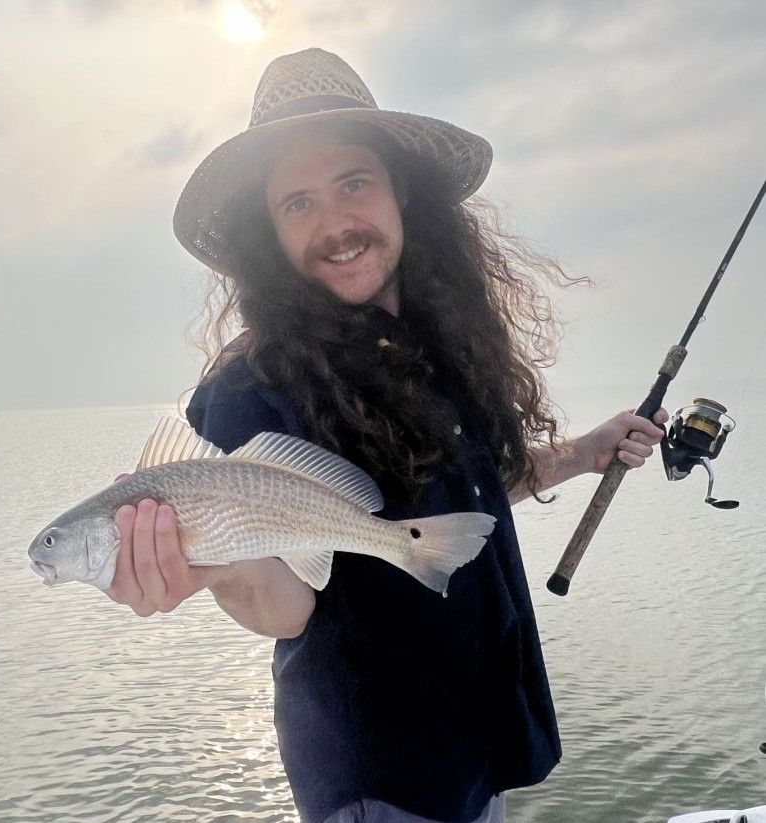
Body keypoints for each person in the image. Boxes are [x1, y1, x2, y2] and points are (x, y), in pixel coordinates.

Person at [105, 48, 667, 823]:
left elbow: (462, 495)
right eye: (296, 203)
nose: (334, 224)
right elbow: (287, 602)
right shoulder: (250, 385)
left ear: (402, 190)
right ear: (267, 231)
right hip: (379, 776)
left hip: (478, 739)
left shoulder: (445, 341)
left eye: (352, 183)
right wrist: (203, 567)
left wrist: (581, 453)